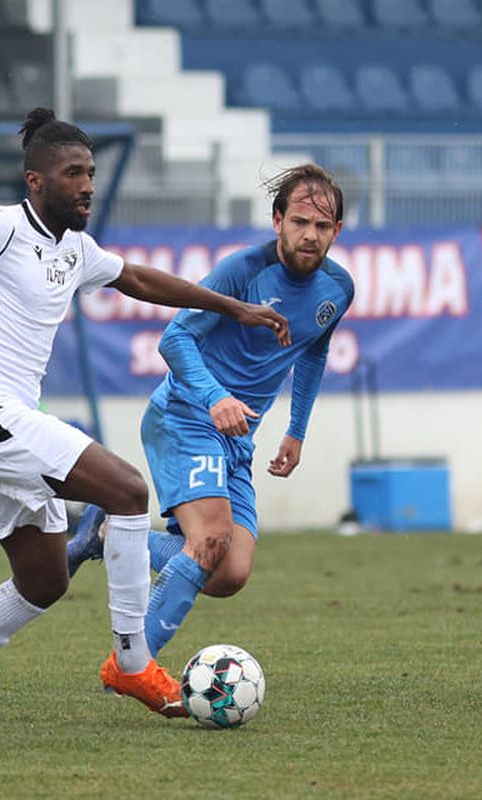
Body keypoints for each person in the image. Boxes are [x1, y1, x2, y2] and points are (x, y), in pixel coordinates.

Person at [0, 107, 290, 721]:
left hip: (7, 418)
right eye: (73, 173)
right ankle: (132, 662)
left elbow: (140, 280)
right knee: (127, 490)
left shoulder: (74, 249)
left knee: (44, 580)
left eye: (91, 172)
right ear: (35, 181)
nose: (87, 185)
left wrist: (234, 308)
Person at [67, 164, 353, 663]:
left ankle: (109, 533)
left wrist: (296, 430)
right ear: (278, 221)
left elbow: (313, 351)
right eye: (300, 222)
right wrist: (215, 397)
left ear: (337, 231)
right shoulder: (243, 271)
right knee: (213, 537)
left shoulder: (339, 289)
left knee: (229, 573)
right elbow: (174, 338)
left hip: (237, 437)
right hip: (185, 416)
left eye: (322, 226)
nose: (310, 235)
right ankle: (132, 666)